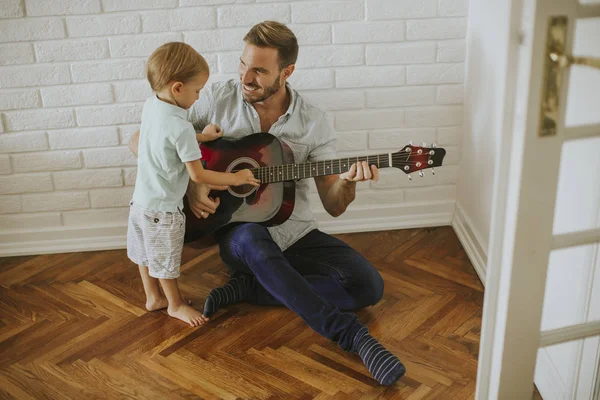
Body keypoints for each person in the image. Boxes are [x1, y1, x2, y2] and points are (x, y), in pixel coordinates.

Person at [130, 22, 406, 386]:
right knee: (251, 241)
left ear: (286, 72)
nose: (246, 77)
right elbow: (141, 140)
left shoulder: (313, 122)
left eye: (260, 70)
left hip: (296, 231)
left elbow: (334, 205)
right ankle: (352, 336)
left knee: (369, 287)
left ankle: (253, 288)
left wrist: (349, 184)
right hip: (240, 234)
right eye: (243, 64)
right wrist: (192, 184)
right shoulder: (215, 98)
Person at [127, 42, 259, 328]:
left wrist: (203, 138)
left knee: (145, 252)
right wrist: (236, 178)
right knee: (165, 259)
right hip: (164, 209)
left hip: (140, 202)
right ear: (177, 88)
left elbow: (166, 139)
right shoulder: (182, 126)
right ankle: (174, 304)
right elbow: (198, 176)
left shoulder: (152, 106)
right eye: (197, 90)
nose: (199, 97)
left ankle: (153, 297)